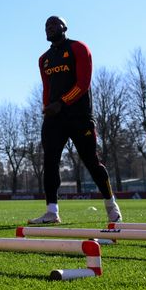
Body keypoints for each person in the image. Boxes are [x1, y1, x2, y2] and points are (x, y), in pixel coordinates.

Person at [28, 16, 121, 225]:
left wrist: (61, 102)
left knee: (91, 161)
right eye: (46, 26)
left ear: (64, 27)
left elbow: (83, 83)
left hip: (79, 117)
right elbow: (47, 88)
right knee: (50, 161)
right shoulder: (44, 59)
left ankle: (111, 206)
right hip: (55, 119)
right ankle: (52, 212)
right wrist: (47, 108)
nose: (49, 28)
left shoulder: (79, 48)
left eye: (54, 24)